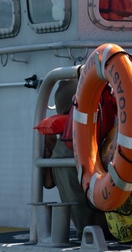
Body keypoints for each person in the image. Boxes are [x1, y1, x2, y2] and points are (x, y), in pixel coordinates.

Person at [36, 79, 107, 239]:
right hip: (106, 230)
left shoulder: (60, 148)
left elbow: (48, 183)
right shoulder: (85, 143)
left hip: (84, 230)